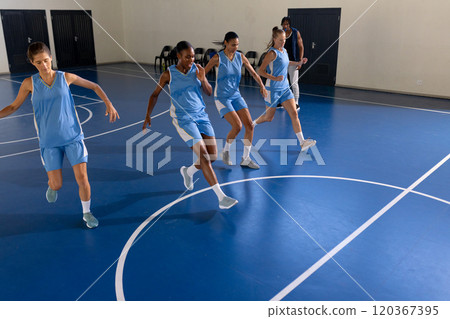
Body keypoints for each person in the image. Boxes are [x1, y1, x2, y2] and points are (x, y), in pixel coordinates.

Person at [0, 42, 119, 228]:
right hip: (49, 142)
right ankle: (52, 185)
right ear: (32, 63)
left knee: (82, 178)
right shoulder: (29, 83)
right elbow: (14, 106)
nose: (44, 66)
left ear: (51, 58)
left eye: (46, 60)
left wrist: (109, 104)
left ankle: (87, 213)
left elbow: (95, 86)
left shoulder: (66, 77)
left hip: (73, 137)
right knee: (57, 185)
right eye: (39, 62)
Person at [143, 41, 238, 210]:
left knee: (212, 156)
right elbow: (154, 94)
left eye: (193, 56)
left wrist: (203, 79)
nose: (191, 59)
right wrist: (148, 115)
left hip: (201, 116)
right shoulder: (168, 74)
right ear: (178, 56)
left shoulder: (197, 70)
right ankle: (221, 198)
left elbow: (209, 92)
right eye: (187, 57)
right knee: (203, 156)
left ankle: (188, 172)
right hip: (183, 119)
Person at [204, 31, 268, 169]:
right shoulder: (217, 58)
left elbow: (253, 72)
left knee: (250, 125)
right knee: (237, 126)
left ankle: (245, 158)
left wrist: (262, 86)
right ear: (225, 43)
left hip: (236, 95)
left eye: (237, 45)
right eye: (233, 45)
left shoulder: (240, 57)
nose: (235, 47)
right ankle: (226, 151)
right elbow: (202, 74)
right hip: (222, 97)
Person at [253, 27, 316, 152]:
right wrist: (274, 78)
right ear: (274, 39)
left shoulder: (284, 50)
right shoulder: (271, 54)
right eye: (281, 40)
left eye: (284, 40)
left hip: (285, 89)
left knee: (294, 113)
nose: (283, 42)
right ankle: (252, 123)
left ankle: (302, 142)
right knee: (269, 118)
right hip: (273, 89)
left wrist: (299, 63)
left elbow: (287, 63)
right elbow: (260, 71)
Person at [281, 16, 308, 110]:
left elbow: (301, 47)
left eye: (287, 24)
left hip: (294, 61)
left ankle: (296, 102)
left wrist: (300, 61)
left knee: (294, 82)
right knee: (282, 82)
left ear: (290, 25)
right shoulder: (281, 34)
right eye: (284, 24)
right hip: (283, 61)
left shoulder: (296, 33)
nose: (285, 26)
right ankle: (282, 101)